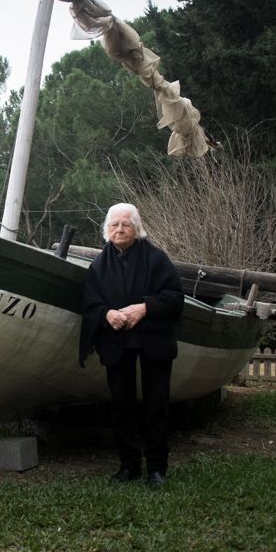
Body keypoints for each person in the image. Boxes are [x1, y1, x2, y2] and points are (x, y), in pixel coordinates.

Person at [78, 203, 184, 488]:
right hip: (117, 342)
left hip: (153, 340)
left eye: (126, 224)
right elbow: (90, 303)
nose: (120, 229)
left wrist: (145, 307)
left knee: (156, 404)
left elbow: (175, 297)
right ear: (106, 230)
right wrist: (106, 314)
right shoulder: (99, 265)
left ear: (137, 229)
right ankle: (129, 466)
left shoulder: (156, 259)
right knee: (121, 405)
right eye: (114, 225)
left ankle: (157, 468)